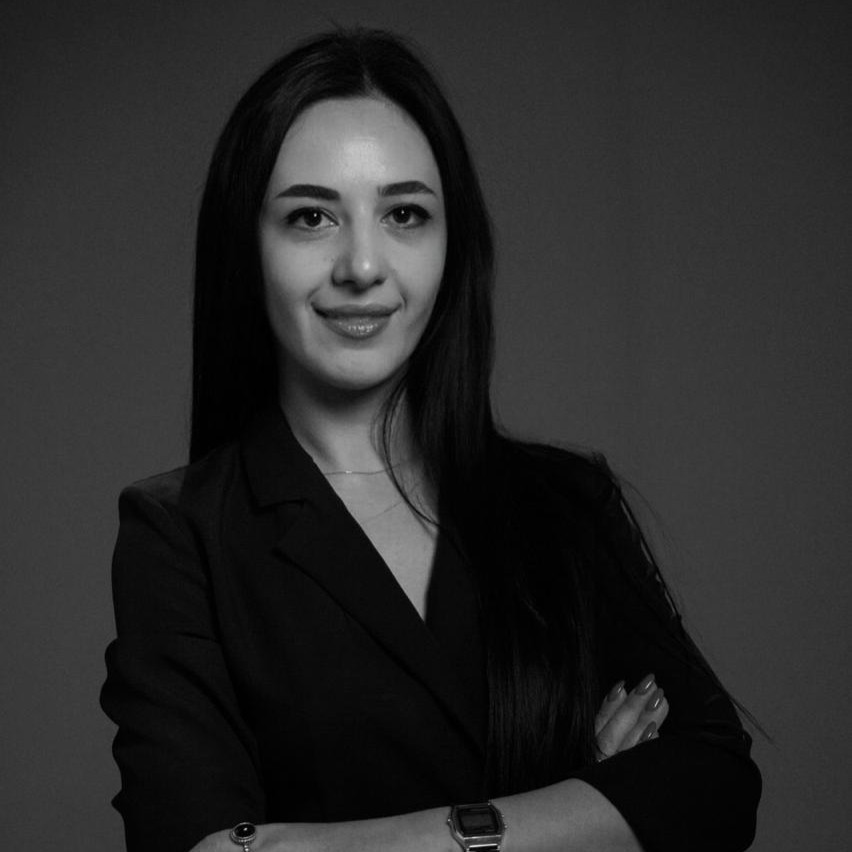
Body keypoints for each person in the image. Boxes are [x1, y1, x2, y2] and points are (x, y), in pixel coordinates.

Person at [100, 27, 761, 852]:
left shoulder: (566, 504)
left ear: (454, 245)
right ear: (247, 245)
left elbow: (713, 784)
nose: (362, 266)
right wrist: (583, 802)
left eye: (405, 214)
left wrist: (398, 837)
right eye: (311, 217)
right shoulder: (180, 534)